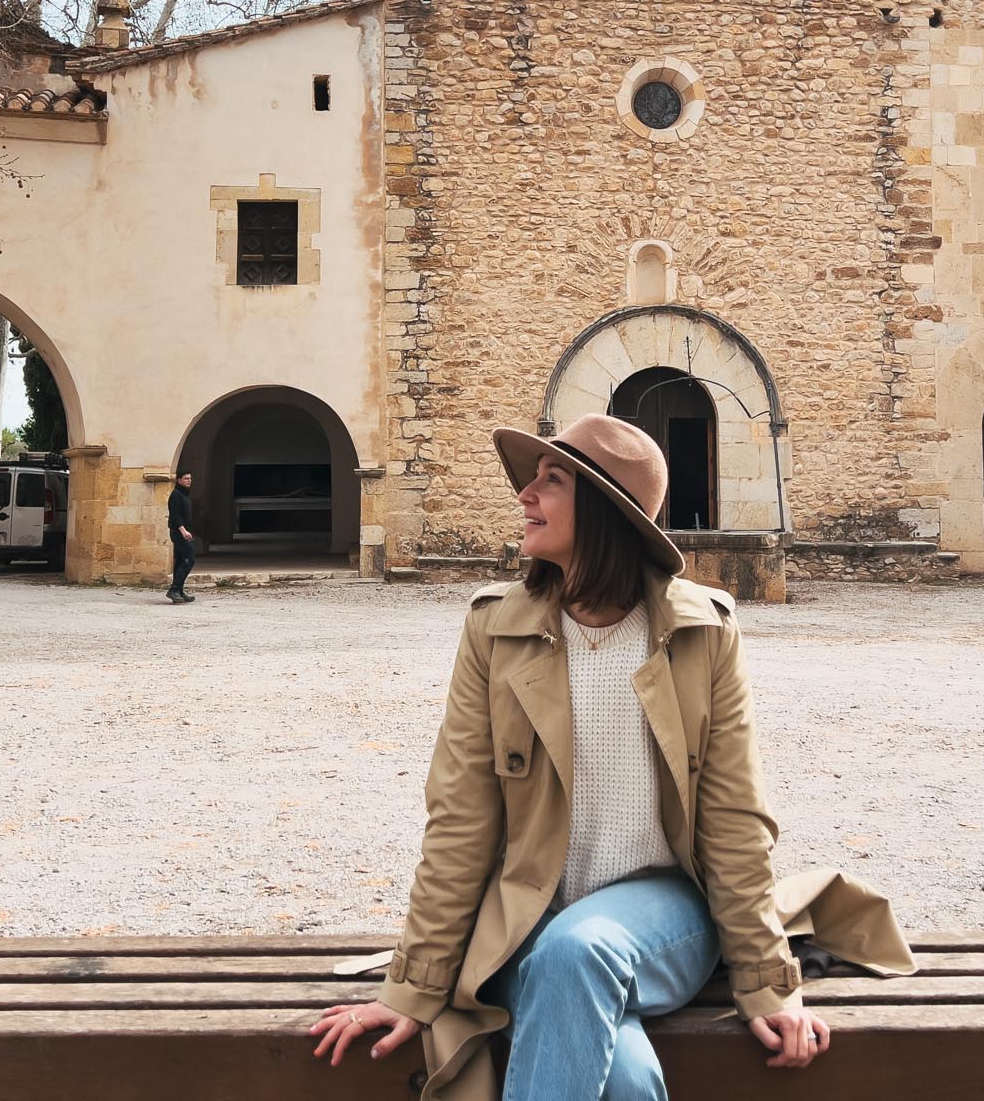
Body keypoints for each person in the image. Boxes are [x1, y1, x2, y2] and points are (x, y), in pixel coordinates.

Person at [309, 413, 913, 1100]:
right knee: (622, 1070)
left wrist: (767, 984)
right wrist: (412, 987)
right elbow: (460, 822)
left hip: (662, 913)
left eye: (551, 480)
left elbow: (734, 818)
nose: (525, 496)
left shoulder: (701, 633)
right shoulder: (493, 629)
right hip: (524, 921)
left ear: (602, 510)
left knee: (582, 949)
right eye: (531, 480)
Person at [166, 470, 196, 604]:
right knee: (189, 559)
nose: (189, 480)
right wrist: (183, 530)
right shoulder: (176, 495)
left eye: (190, 478)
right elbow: (175, 515)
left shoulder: (183, 494)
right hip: (179, 532)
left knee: (180, 560)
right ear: (178, 480)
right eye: (186, 478)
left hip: (183, 532)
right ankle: (174, 589)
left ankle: (180, 591)